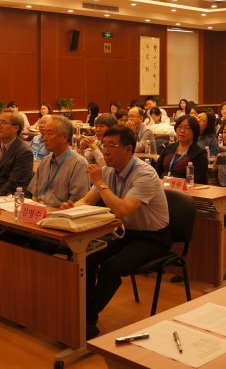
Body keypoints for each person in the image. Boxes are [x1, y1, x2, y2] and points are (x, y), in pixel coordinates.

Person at [62, 125, 170, 339]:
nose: (106, 151)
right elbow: (87, 200)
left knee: (112, 267)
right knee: (87, 255)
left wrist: (101, 184)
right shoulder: (110, 172)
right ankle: (85, 317)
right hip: (126, 232)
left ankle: (86, 318)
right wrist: (69, 208)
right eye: (104, 145)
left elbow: (122, 209)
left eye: (112, 146)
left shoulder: (145, 173)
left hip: (154, 238)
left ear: (129, 149)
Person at [27, 115, 89, 207]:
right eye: (44, 134)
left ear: (64, 137)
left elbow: (77, 203)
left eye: (50, 134)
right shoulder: (45, 160)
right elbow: (35, 196)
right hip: (40, 212)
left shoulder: (79, 164)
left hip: (62, 215)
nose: (44, 138)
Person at [154, 115, 207, 183]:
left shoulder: (199, 154)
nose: (182, 131)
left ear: (194, 132)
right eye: (179, 127)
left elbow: (198, 181)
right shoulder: (168, 148)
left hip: (185, 191)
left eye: (187, 128)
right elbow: (157, 172)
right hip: (163, 188)